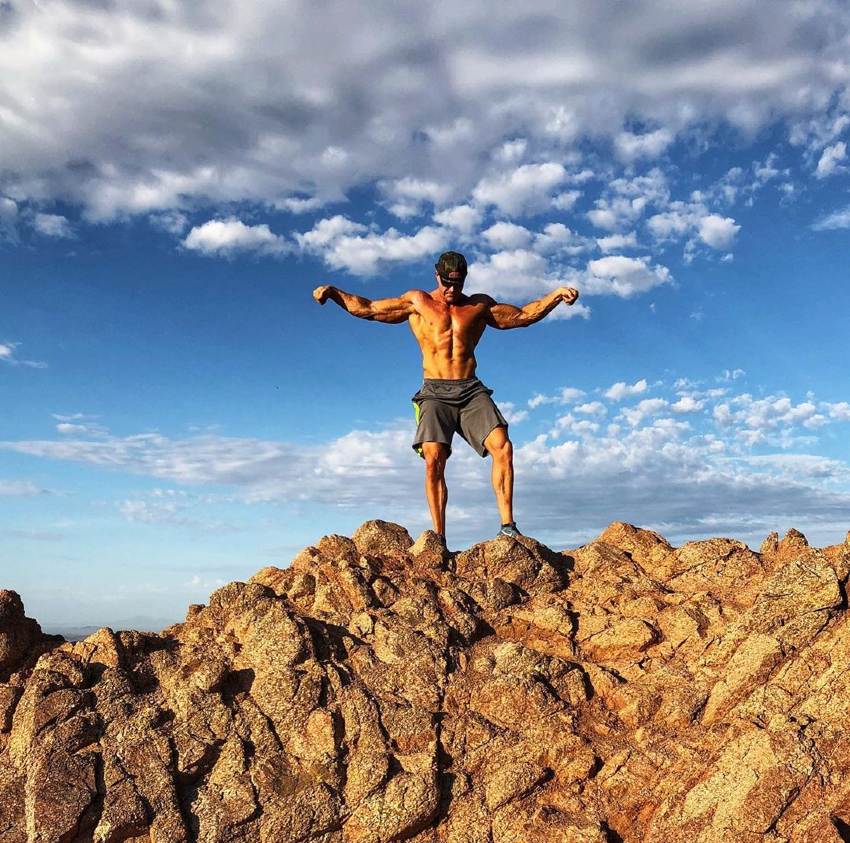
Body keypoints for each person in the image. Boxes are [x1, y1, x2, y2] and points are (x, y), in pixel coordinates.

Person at [313, 250, 579, 546]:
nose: (452, 289)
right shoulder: (417, 302)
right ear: (436, 275)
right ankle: (438, 537)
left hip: (470, 389)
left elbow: (523, 316)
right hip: (434, 392)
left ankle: (508, 527)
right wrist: (335, 293)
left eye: (458, 283)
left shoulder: (479, 305)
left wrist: (556, 295)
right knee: (433, 459)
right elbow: (370, 308)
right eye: (447, 282)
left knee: (503, 447)